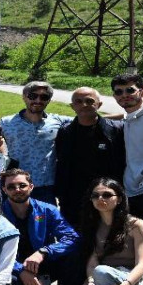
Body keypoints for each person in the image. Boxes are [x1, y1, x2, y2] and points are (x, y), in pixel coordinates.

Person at [50, 178, 143, 285]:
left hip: (135, 276)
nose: (100, 199)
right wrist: (90, 282)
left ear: (118, 198)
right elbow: (94, 258)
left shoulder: (137, 225)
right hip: (103, 277)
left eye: (106, 195)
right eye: (95, 196)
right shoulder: (93, 224)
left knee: (102, 271)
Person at [0, 168, 80, 285]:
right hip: (12, 268)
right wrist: (20, 269)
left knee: (75, 255)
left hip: (41, 263)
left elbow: (72, 238)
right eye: (11, 187)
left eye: (22, 185)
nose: (17, 190)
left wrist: (44, 252)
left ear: (31, 186)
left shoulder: (48, 210)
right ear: (4, 190)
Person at [55, 87, 125, 227]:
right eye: (78, 101)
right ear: (72, 106)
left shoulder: (116, 130)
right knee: (76, 236)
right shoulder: (65, 132)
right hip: (73, 196)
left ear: (99, 104)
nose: (84, 104)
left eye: (89, 101)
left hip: (106, 194)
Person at [0, 81, 71, 204]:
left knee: (43, 222)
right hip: (15, 185)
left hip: (45, 186)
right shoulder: (6, 122)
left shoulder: (58, 121)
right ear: (24, 97)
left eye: (44, 97)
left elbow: (90, 118)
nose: (38, 100)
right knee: (13, 222)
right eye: (33, 96)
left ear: (49, 100)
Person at [110, 73, 143, 223]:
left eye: (130, 90)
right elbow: (126, 116)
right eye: (119, 91)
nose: (124, 95)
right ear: (114, 96)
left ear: (142, 92)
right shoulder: (131, 117)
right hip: (132, 188)